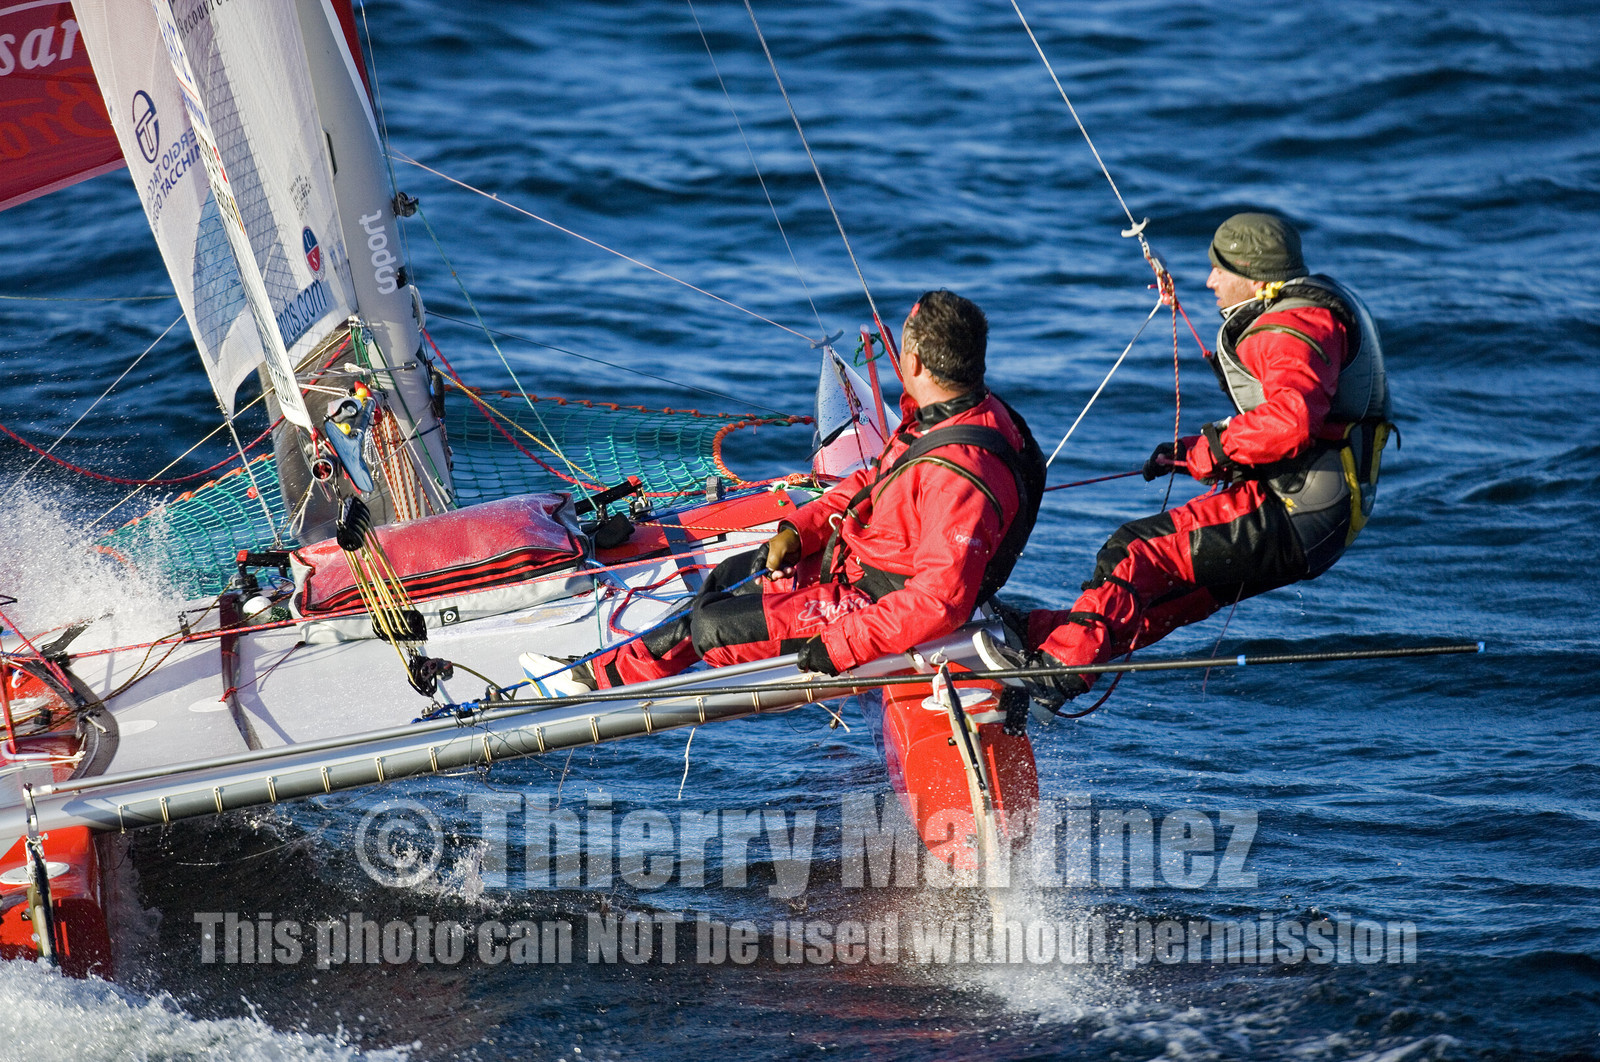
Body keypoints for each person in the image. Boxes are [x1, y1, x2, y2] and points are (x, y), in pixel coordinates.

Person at [520, 289, 1045, 693]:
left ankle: (588, 685)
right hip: (860, 566)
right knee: (727, 578)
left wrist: (838, 648)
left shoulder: (960, 472)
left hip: (876, 604)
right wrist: (798, 530)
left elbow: (938, 602)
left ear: (914, 365)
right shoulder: (947, 415)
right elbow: (875, 482)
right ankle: (595, 676)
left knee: (712, 627)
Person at [981, 212, 1393, 707]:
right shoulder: (1307, 309)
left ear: (1255, 276)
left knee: (1134, 552)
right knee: (1160, 594)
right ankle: (1042, 638)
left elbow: (1293, 421)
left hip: (1296, 509)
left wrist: (1211, 452)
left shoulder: (1291, 324)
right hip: (1323, 513)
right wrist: (1191, 453)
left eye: (1220, 269)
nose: (1210, 281)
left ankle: (1057, 672)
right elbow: (1308, 424)